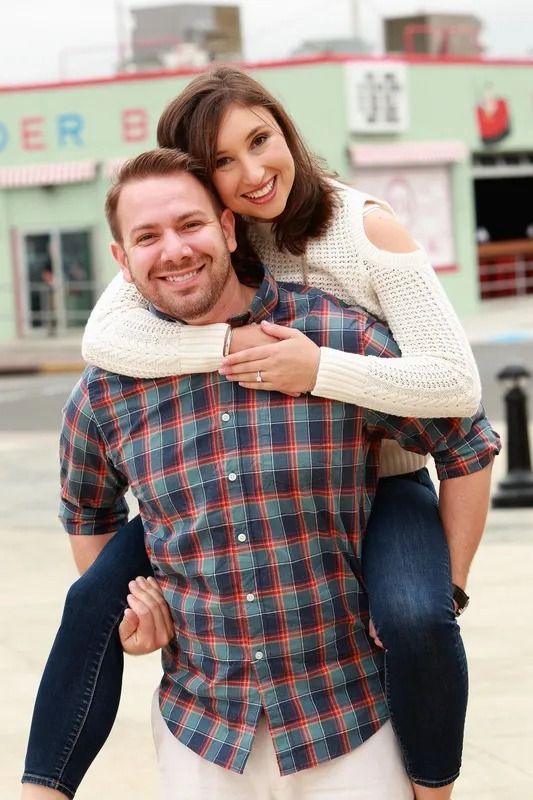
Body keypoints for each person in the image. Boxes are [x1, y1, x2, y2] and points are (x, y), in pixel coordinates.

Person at [21, 67, 490, 800]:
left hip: (385, 469)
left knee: (414, 614)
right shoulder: (127, 349)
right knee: (92, 604)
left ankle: (435, 787)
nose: (251, 172)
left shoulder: (359, 227)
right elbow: (88, 486)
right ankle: (41, 787)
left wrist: (316, 367)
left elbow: (460, 399)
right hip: (204, 721)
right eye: (222, 163)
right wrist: (225, 348)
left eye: (259, 141)